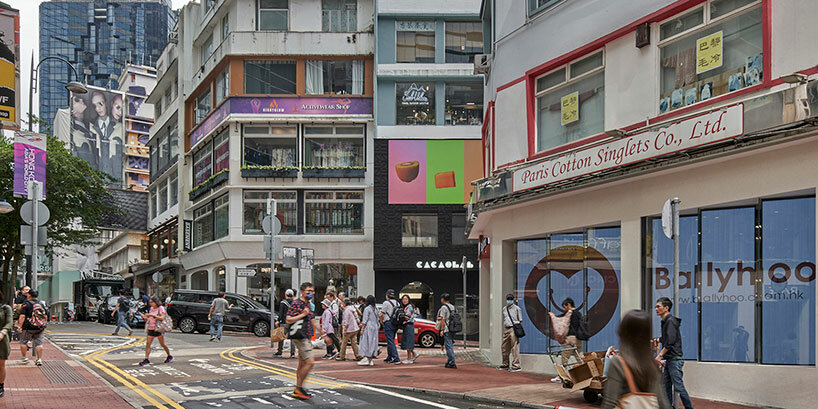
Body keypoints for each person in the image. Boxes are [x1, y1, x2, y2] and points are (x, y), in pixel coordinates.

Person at [601, 310, 670, 409]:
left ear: (623, 332)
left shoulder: (618, 363)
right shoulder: (652, 365)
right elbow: (662, 403)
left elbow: (609, 403)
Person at [655, 297, 694, 409]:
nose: (656, 309)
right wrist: (658, 340)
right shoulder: (666, 321)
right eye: (656, 306)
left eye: (658, 306)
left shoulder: (670, 321)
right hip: (671, 360)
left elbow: (670, 342)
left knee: (678, 387)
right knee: (666, 386)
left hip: (674, 360)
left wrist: (660, 355)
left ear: (666, 308)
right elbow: (668, 338)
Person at [286, 282, 322, 400]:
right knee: (310, 362)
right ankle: (299, 388)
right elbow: (288, 319)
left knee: (302, 364)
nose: (310, 293)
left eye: (312, 291)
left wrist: (324, 333)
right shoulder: (297, 304)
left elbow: (313, 320)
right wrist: (302, 314)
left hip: (305, 335)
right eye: (308, 291)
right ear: (302, 292)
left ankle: (298, 388)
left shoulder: (309, 304)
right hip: (300, 336)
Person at [139, 297, 173, 366]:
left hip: (158, 328)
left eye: (152, 302)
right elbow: (150, 317)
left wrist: (152, 315)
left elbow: (162, 318)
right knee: (148, 344)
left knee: (162, 344)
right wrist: (146, 317)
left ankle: (169, 356)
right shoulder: (151, 308)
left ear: (156, 302)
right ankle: (146, 359)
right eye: (150, 302)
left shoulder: (160, 308)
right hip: (151, 327)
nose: (150, 304)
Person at [17, 290, 46, 366]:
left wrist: (20, 326)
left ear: (29, 295)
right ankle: (39, 359)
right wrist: (42, 323)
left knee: (23, 342)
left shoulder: (26, 304)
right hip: (40, 327)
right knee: (39, 344)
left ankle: (24, 358)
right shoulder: (41, 304)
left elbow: (22, 316)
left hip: (28, 327)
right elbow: (45, 315)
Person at [500, 293, 522, 372]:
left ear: (513, 299)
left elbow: (520, 319)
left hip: (513, 328)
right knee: (504, 347)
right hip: (506, 328)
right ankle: (505, 364)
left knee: (514, 347)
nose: (509, 300)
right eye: (508, 299)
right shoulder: (504, 309)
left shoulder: (517, 309)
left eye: (511, 299)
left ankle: (516, 365)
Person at [380, 289, 401, 364]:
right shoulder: (397, 303)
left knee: (390, 341)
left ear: (387, 296)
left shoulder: (386, 303)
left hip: (388, 323)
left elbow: (382, 314)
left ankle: (396, 358)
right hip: (395, 323)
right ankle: (389, 357)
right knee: (390, 340)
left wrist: (381, 321)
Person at [560, 298, 584, 365]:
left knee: (565, 356)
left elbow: (560, 319)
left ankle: (563, 373)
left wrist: (552, 316)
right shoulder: (579, 313)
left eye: (565, 307)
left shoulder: (569, 314)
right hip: (578, 338)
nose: (564, 309)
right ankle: (584, 371)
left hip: (570, 337)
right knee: (579, 355)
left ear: (568, 305)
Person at [357, 295, 379, 366]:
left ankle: (366, 357)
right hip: (374, 327)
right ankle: (371, 359)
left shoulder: (367, 309)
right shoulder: (376, 309)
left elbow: (365, 320)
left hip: (368, 327)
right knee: (373, 342)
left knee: (365, 342)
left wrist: (362, 329)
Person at [437, 293, 456, 369]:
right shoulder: (453, 307)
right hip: (453, 328)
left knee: (448, 346)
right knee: (450, 345)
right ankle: (450, 361)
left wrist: (442, 329)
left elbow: (443, 319)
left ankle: (452, 362)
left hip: (447, 329)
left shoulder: (444, 307)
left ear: (442, 299)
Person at [275, 289, 295, 357]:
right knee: (292, 339)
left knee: (281, 337)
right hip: (293, 322)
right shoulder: (295, 302)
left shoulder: (283, 302)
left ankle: (280, 352)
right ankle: (292, 353)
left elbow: (281, 312)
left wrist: (278, 320)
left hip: (284, 321)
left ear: (286, 294)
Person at [399, 294, 418, 364]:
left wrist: (401, 316)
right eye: (403, 299)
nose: (404, 300)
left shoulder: (409, 307)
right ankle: (414, 354)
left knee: (408, 342)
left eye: (406, 299)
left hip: (408, 325)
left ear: (409, 300)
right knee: (407, 341)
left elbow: (407, 317)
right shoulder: (406, 307)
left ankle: (409, 358)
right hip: (407, 326)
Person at [0, 293, 12, 397]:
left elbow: (9, 322)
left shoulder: (5, 308)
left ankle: (0, 386)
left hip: (1, 340)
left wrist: (3, 332)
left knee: (1, 364)